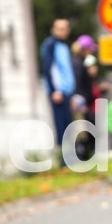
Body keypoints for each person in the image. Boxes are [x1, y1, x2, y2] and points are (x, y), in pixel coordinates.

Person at [40, 19, 75, 150]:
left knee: (68, 125)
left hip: (66, 91)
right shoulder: (51, 45)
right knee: (61, 126)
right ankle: (64, 158)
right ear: (53, 30)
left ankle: (70, 155)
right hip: (58, 92)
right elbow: (49, 69)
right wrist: (55, 90)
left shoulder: (63, 46)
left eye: (64, 28)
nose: (61, 31)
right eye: (58, 28)